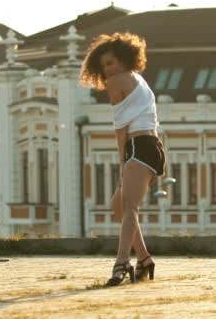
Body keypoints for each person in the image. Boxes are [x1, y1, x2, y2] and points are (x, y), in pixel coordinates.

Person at [80, 32, 166, 286]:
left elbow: (120, 127)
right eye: (104, 65)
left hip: (139, 147)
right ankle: (144, 258)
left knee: (128, 209)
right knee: (120, 206)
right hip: (150, 147)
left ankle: (121, 263)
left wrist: (122, 162)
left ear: (125, 60)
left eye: (111, 63)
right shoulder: (139, 80)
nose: (108, 70)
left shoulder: (117, 81)